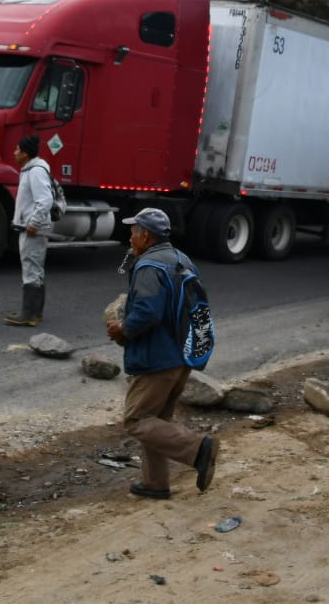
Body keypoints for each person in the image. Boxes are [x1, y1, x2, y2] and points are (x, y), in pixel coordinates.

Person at [105, 207, 219, 500]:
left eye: (133, 231)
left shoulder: (148, 267)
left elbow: (147, 313)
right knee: (156, 422)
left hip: (156, 359)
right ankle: (155, 483)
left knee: (136, 420)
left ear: (145, 235)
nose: (130, 237)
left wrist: (123, 329)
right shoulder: (182, 259)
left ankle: (198, 448)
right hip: (182, 355)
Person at [4, 134, 55, 326]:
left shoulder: (35, 171)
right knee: (34, 268)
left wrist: (33, 222)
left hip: (33, 229)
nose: (14, 152)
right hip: (29, 227)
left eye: (17, 149)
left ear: (25, 153)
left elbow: (45, 200)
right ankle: (35, 312)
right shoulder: (30, 169)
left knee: (31, 268)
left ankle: (29, 314)